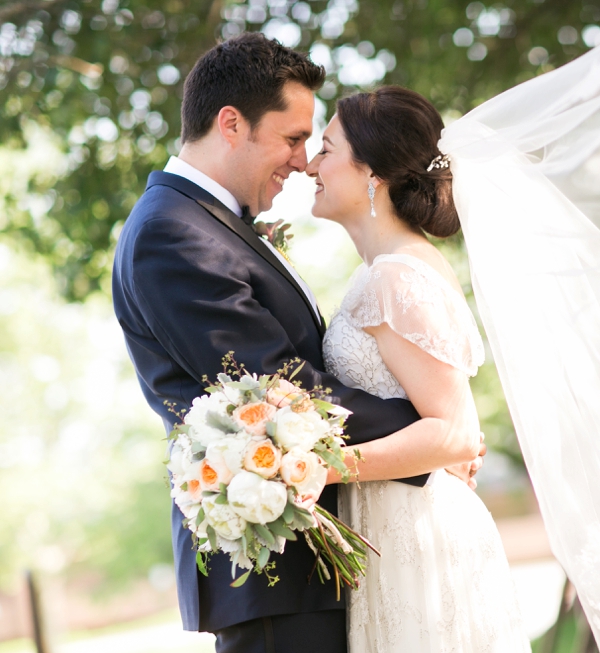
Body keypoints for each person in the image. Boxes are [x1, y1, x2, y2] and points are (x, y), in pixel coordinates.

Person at [112, 34, 483, 653]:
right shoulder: (173, 235)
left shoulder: (209, 225)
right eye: (291, 138)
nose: (303, 159)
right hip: (273, 565)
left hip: (312, 560)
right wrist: (432, 429)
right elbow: (282, 390)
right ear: (231, 124)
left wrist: (442, 429)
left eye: (314, 143)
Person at [306, 86, 531, 651]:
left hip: (419, 534)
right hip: (392, 525)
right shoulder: (387, 271)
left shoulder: (397, 277)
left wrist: (315, 471)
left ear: (371, 174)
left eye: (326, 149)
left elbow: (454, 434)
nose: (310, 165)